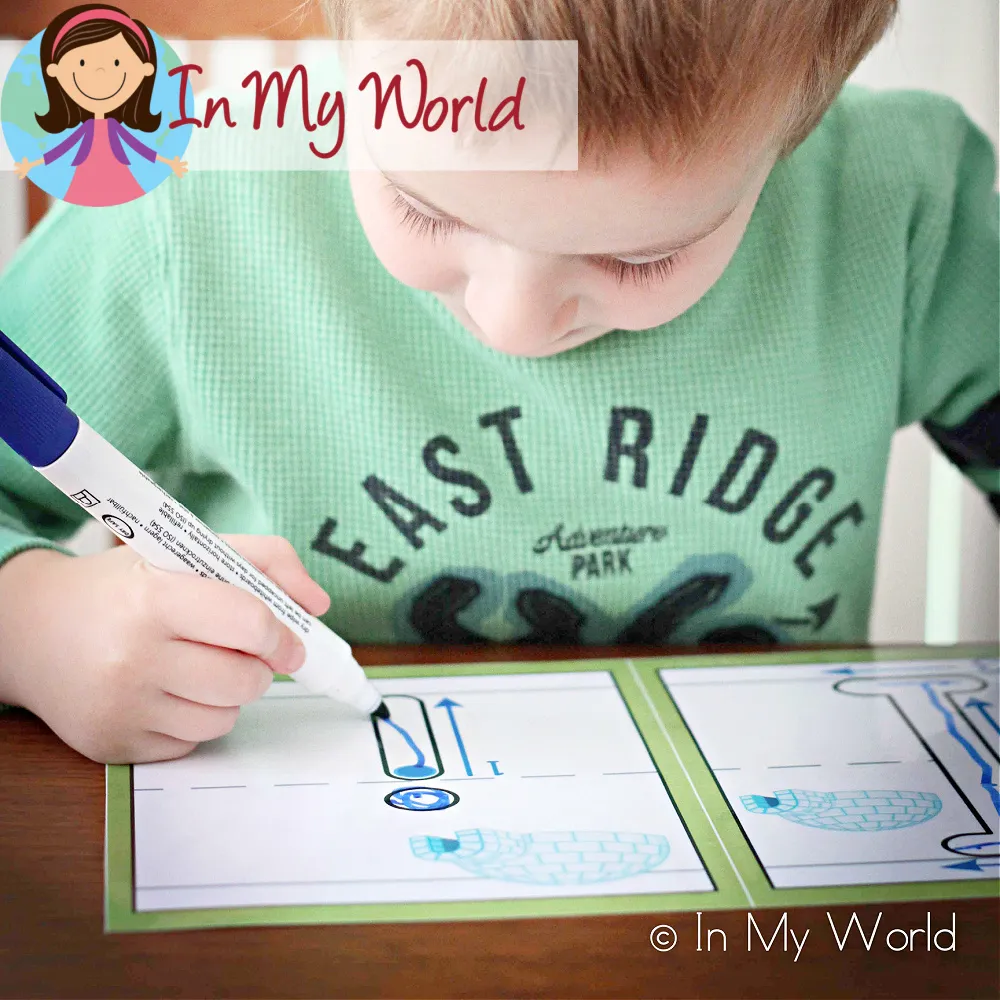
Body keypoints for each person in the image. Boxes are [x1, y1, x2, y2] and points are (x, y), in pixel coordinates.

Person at [0, 0, 995, 763]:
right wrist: (35, 628)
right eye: (423, 205)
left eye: (640, 257)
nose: (513, 322)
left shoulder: (897, 207)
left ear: (799, 119)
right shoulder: (190, 205)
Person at [14, 4, 186, 206]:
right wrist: (34, 164)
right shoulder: (84, 131)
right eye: (82, 64)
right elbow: (63, 149)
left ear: (144, 70)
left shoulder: (119, 131)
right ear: (55, 71)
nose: (100, 74)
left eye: (116, 63)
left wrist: (168, 162)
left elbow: (138, 148)